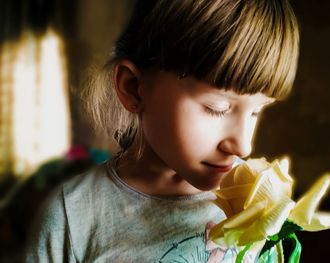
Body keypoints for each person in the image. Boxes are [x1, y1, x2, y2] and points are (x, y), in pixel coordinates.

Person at [25, 0, 299, 262]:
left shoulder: (257, 199)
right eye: (217, 107)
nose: (243, 146)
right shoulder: (72, 218)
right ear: (133, 87)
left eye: (256, 111)